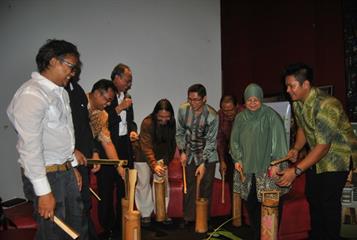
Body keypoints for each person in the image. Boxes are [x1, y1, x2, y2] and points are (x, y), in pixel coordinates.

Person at [7, 39, 84, 239]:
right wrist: (43, 192)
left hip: (64, 171)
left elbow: (63, 134)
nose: (73, 73)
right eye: (70, 67)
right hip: (47, 175)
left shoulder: (60, 92)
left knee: (76, 230)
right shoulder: (32, 94)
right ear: (52, 61)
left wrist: (71, 165)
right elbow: (29, 148)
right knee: (53, 234)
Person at [277, 63, 357, 239]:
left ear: (306, 85)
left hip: (338, 157)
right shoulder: (298, 102)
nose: (288, 90)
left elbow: (323, 146)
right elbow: (303, 129)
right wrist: (296, 148)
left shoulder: (327, 105)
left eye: (292, 86)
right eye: (287, 86)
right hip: (318, 156)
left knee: (328, 203)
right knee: (313, 198)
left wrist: (296, 170)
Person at [230, 83, 289, 240]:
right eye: (249, 100)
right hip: (248, 171)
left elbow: (280, 143)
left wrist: (276, 163)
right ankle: (257, 235)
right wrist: (237, 159)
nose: (253, 103)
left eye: (256, 99)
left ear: (261, 99)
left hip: (268, 171)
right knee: (252, 205)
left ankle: (270, 236)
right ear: (245, 101)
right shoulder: (240, 118)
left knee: (271, 207)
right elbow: (234, 141)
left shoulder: (272, 116)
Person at [96, 63, 137, 237]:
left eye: (130, 81)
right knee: (106, 190)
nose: (129, 84)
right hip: (106, 147)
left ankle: (122, 224)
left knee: (124, 189)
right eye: (127, 81)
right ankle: (107, 227)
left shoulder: (127, 97)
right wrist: (119, 108)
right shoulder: (106, 95)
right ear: (117, 78)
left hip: (124, 146)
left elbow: (130, 121)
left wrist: (133, 130)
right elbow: (102, 121)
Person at [176, 83, 218, 228]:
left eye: (196, 100)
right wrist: (181, 151)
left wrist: (203, 163)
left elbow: (212, 142)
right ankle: (188, 217)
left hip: (208, 155)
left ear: (204, 99)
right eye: (190, 99)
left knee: (206, 187)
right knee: (189, 186)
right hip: (189, 154)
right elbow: (180, 132)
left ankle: (204, 218)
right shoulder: (183, 110)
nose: (193, 103)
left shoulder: (212, 116)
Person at [66, 67, 100, 240]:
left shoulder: (77, 90)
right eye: (69, 66)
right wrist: (71, 151)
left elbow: (84, 128)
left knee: (84, 204)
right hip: (68, 160)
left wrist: (94, 151)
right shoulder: (58, 90)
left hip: (84, 159)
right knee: (75, 208)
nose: (72, 71)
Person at [137, 99, 176, 226]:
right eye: (161, 117)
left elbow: (171, 144)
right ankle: (145, 214)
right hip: (142, 155)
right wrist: (154, 164)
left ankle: (162, 212)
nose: (164, 120)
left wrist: (164, 162)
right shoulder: (147, 122)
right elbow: (146, 147)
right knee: (143, 183)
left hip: (160, 155)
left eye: (167, 117)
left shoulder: (171, 123)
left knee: (163, 183)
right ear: (155, 114)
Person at [217, 95, 243, 191]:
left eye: (230, 110)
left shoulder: (244, 113)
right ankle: (234, 206)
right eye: (225, 110)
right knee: (232, 182)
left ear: (236, 106)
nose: (228, 113)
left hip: (245, 152)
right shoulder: (219, 115)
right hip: (229, 150)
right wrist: (222, 161)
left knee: (245, 183)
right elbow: (219, 139)